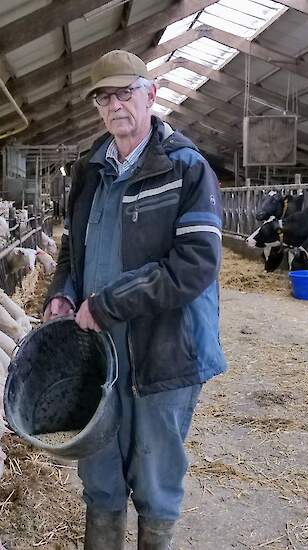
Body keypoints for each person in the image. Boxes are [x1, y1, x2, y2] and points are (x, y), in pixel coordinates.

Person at [43, 50, 227, 550]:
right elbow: (73, 247)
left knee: (155, 478)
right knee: (99, 474)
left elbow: (194, 265)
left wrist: (107, 304)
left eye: (125, 93)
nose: (115, 106)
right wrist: (63, 293)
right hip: (100, 351)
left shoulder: (185, 168)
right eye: (104, 98)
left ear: (151, 95)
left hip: (163, 351)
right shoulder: (90, 170)